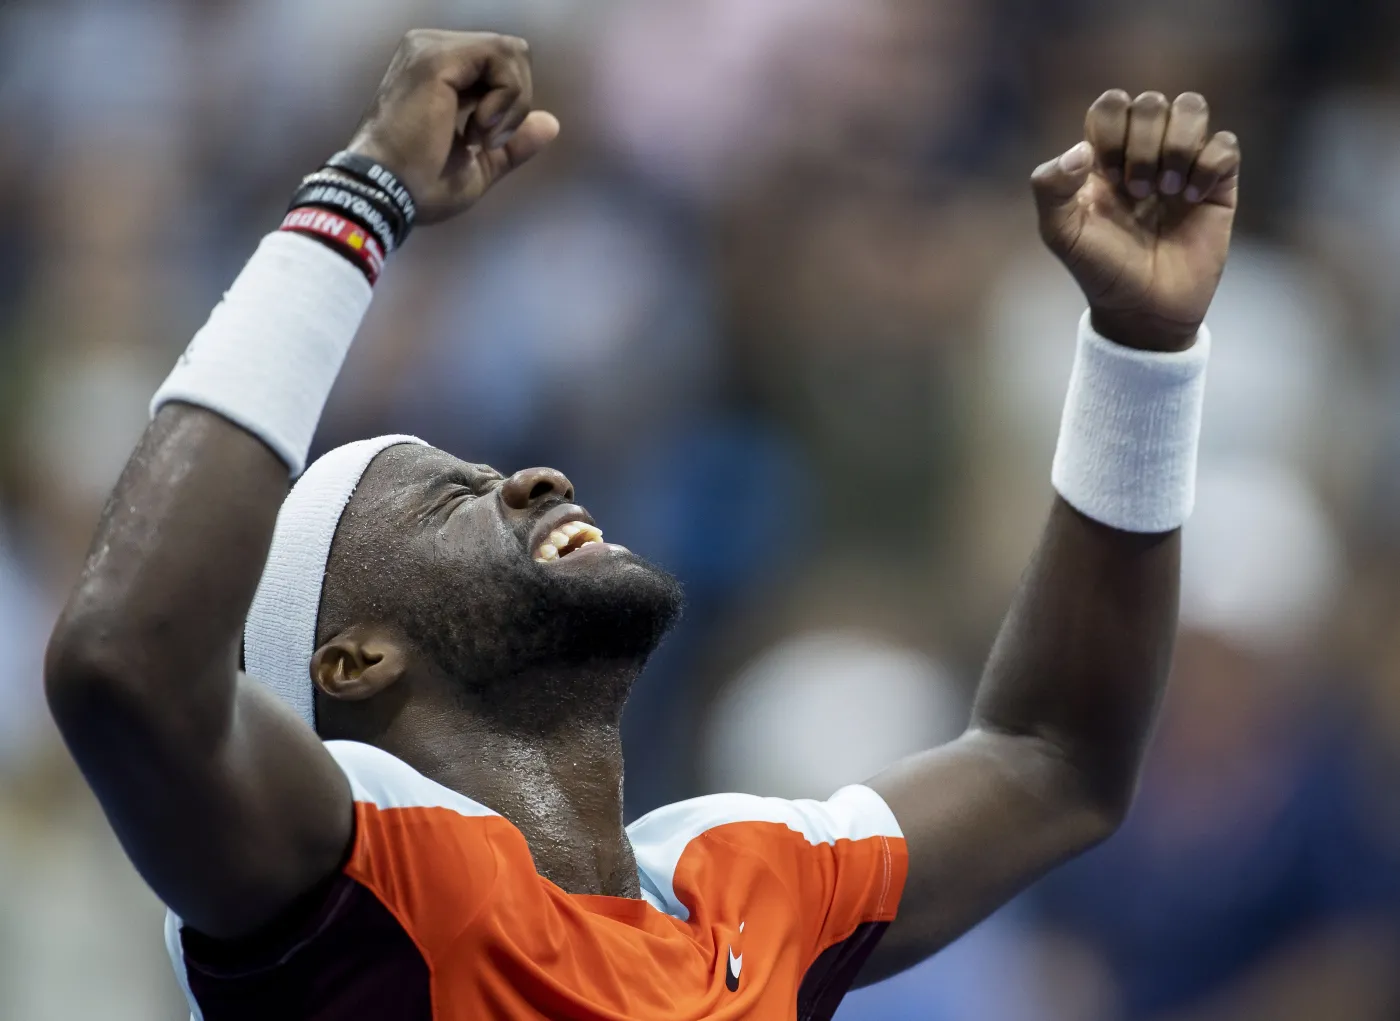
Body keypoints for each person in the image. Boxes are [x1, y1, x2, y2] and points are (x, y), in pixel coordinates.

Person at [43, 31, 1241, 1021]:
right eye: (450, 498)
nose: (533, 481)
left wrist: (1140, 350)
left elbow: (1050, 760)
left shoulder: (739, 886)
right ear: (351, 660)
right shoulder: (351, 887)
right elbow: (124, 661)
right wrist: (360, 195)